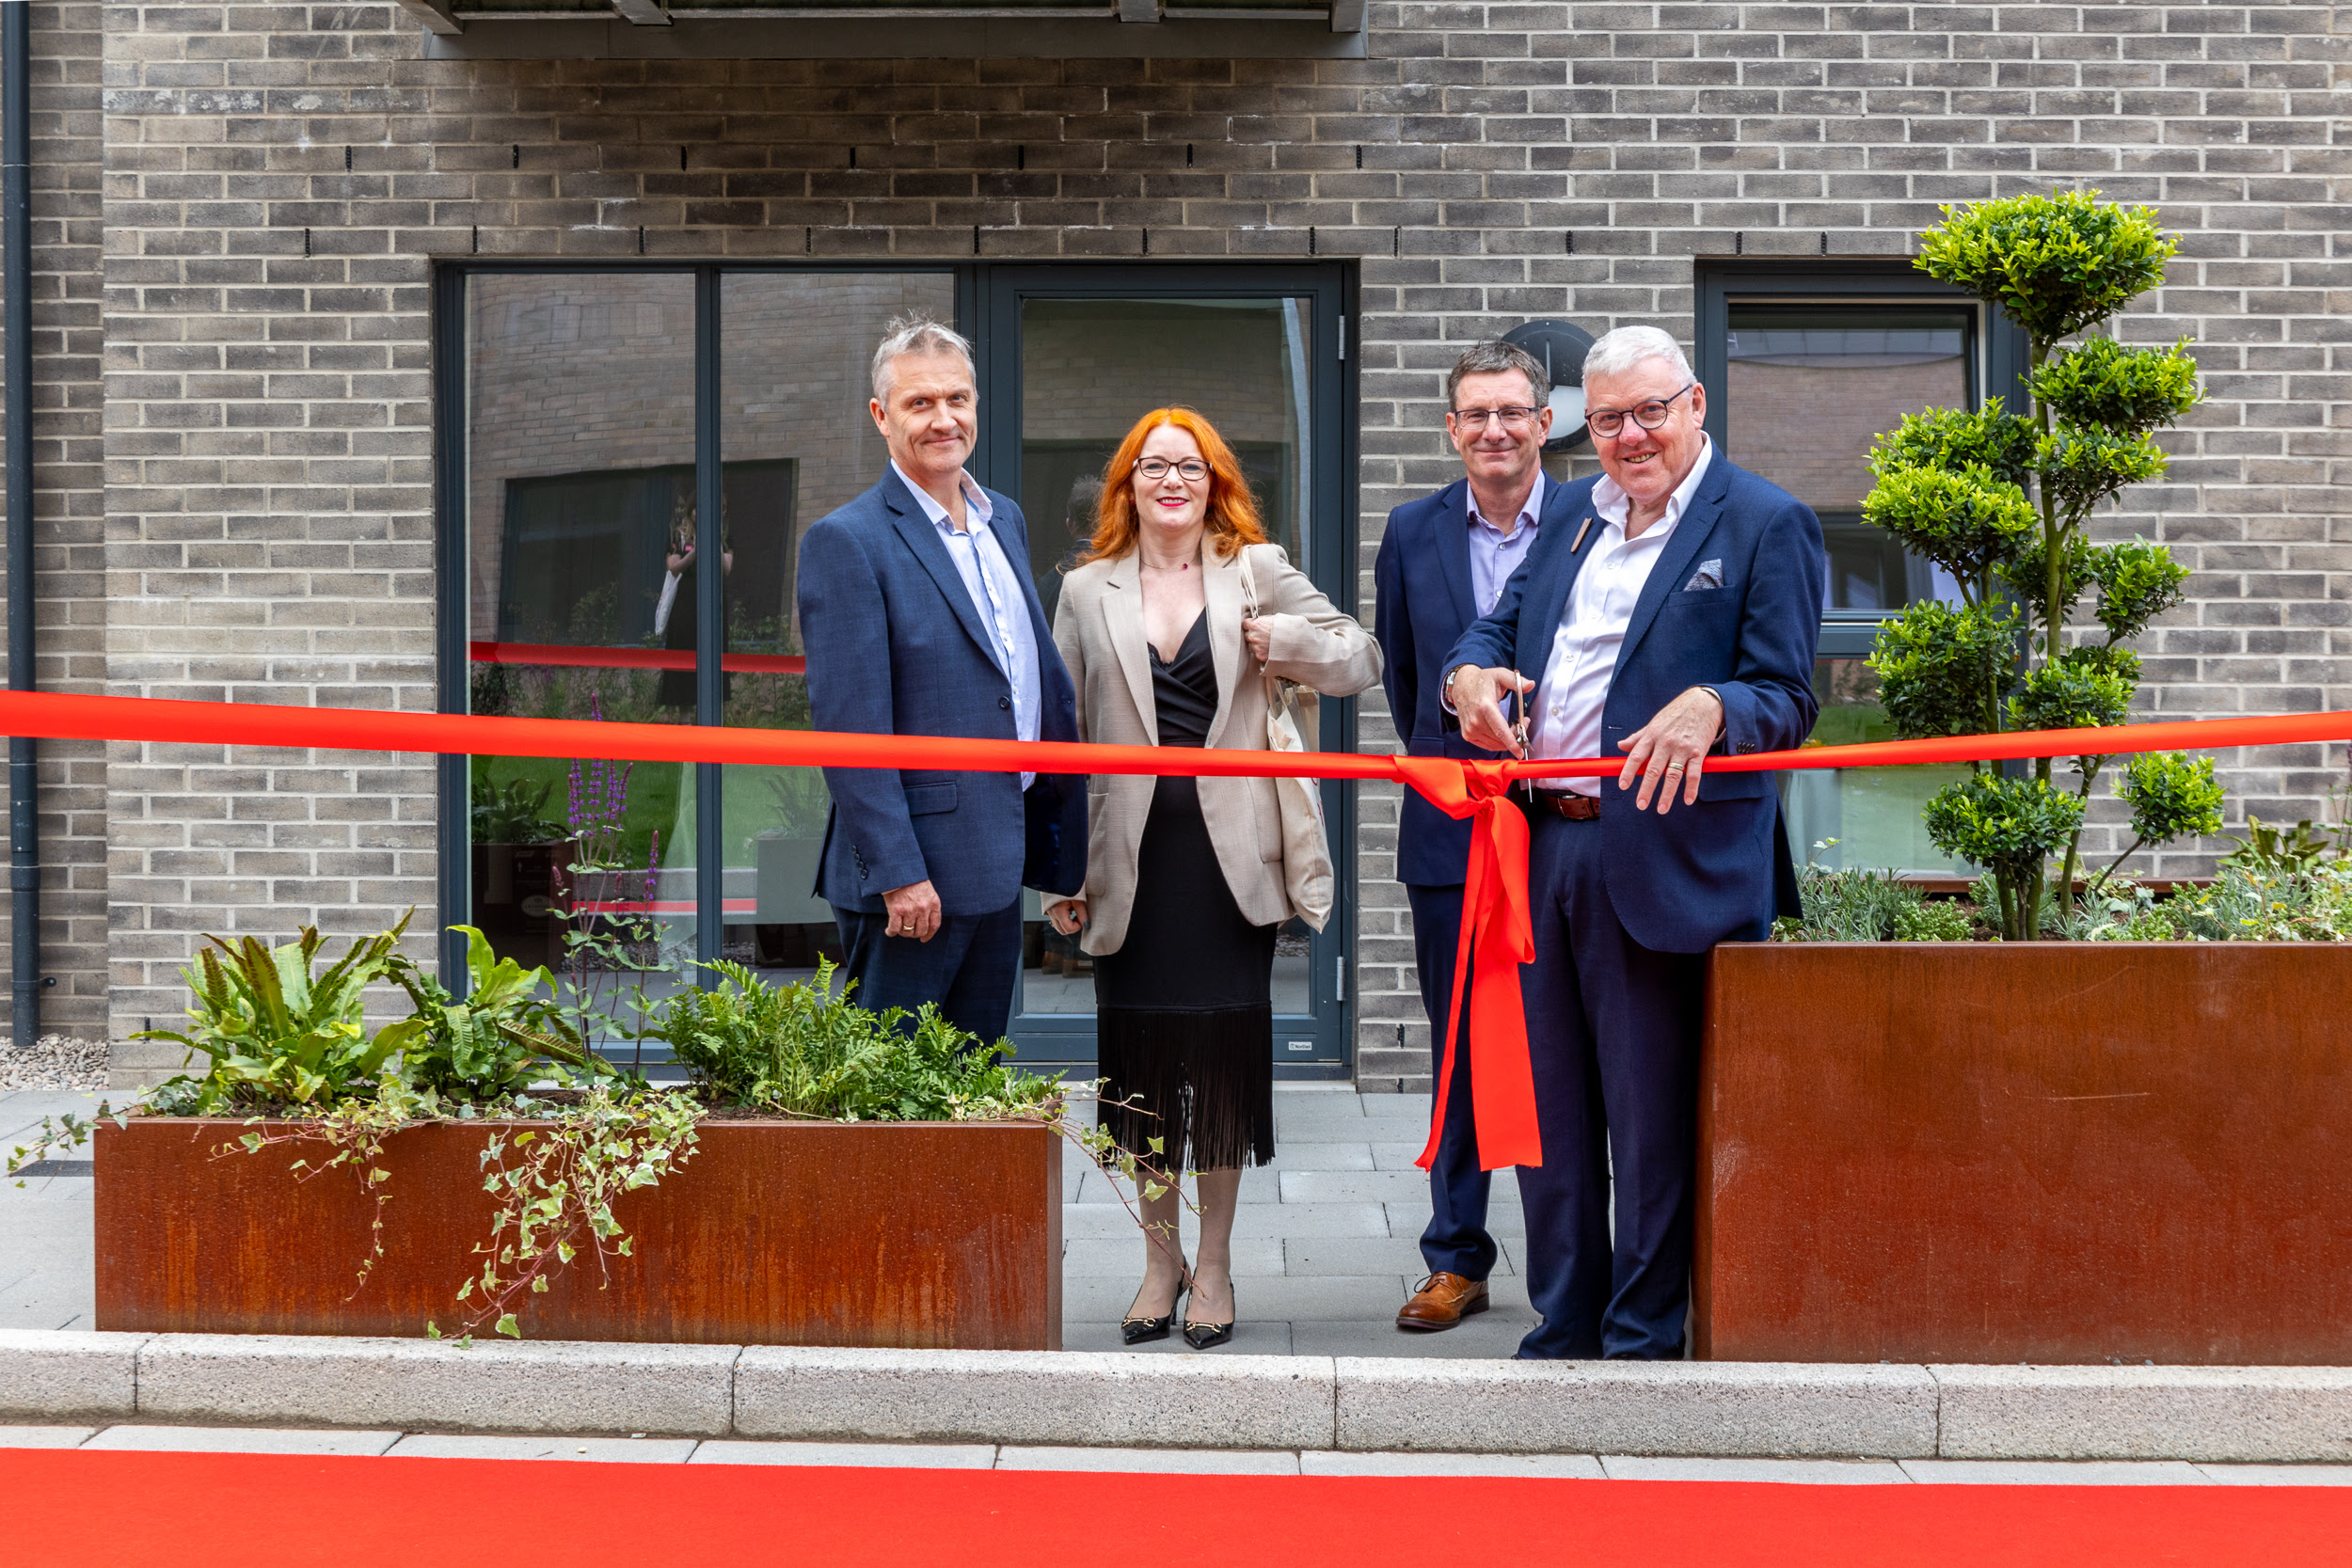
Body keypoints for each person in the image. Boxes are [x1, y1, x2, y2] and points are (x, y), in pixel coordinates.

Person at [1441, 325, 1822, 1360]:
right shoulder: (1569, 513)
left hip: (1663, 854)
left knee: (1649, 1117)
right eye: (1607, 418)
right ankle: (1562, 1320)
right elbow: (1498, 627)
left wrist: (1715, 703)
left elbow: (1789, 694)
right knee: (1551, 1112)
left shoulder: (1764, 523)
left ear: (1696, 403)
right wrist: (1463, 678)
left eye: (1650, 410)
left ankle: (1642, 1333)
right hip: (1546, 845)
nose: (1629, 435)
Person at [1047, 407, 1380, 1351]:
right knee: (1144, 1074)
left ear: (1214, 480)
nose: (1170, 481)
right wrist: (1055, 876)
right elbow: (1056, 736)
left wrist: (1286, 642)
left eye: (1189, 467)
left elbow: (1362, 658)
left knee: (1222, 1075)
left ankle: (1219, 1263)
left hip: (1234, 863)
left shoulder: (1256, 569)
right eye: (1151, 466)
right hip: (1127, 865)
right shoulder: (1084, 589)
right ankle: (1160, 1262)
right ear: (1127, 485)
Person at [795, 313, 1087, 1045]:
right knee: (896, 1113)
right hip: (914, 884)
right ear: (881, 415)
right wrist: (899, 873)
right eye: (919, 403)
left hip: (998, 857)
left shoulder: (1004, 521)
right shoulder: (847, 541)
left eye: (956, 399)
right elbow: (850, 728)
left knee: (973, 1098)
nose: (942, 418)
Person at [1373, 339, 1580, 1334]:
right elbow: (1407, 686)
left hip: (1567, 832)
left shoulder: (1592, 522)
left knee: (1557, 1047)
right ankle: (1456, 1257)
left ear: (1546, 424)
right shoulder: (1410, 532)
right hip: (1451, 832)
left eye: (1512, 412)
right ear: (1450, 428)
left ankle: (1571, 1261)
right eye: (1474, 414)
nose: (1493, 430)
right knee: (1458, 1046)